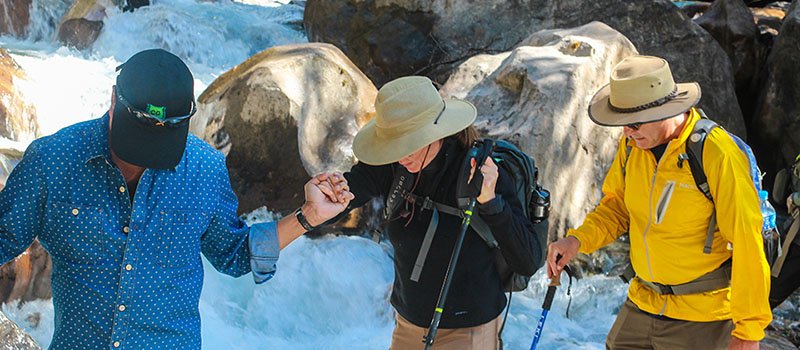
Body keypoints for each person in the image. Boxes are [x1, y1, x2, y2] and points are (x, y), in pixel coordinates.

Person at [0, 48, 353, 349]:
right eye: (135, 140)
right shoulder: (53, 161)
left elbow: (234, 254)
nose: (140, 158)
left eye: (157, 147)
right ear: (112, 99)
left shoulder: (204, 169)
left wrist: (307, 215)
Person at [546, 55, 771, 350]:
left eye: (634, 124)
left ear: (665, 111)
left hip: (703, 317)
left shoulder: (717, 154)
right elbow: (617, 208)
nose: (626, 132)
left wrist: (748, 331)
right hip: (643, 301)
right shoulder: (633, 148)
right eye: (622, 123)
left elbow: (747, 241)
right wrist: (577, 241)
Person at [334, 76, 542, 349]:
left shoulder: (479, 171)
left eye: (408, 143)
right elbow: (350, 191)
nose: (399, 156)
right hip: (408, 322)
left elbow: (527, 260)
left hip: (469, 330)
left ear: (436, 133)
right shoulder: (393, 165)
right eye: (393, 144)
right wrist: (329, 197)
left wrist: (491, 202)